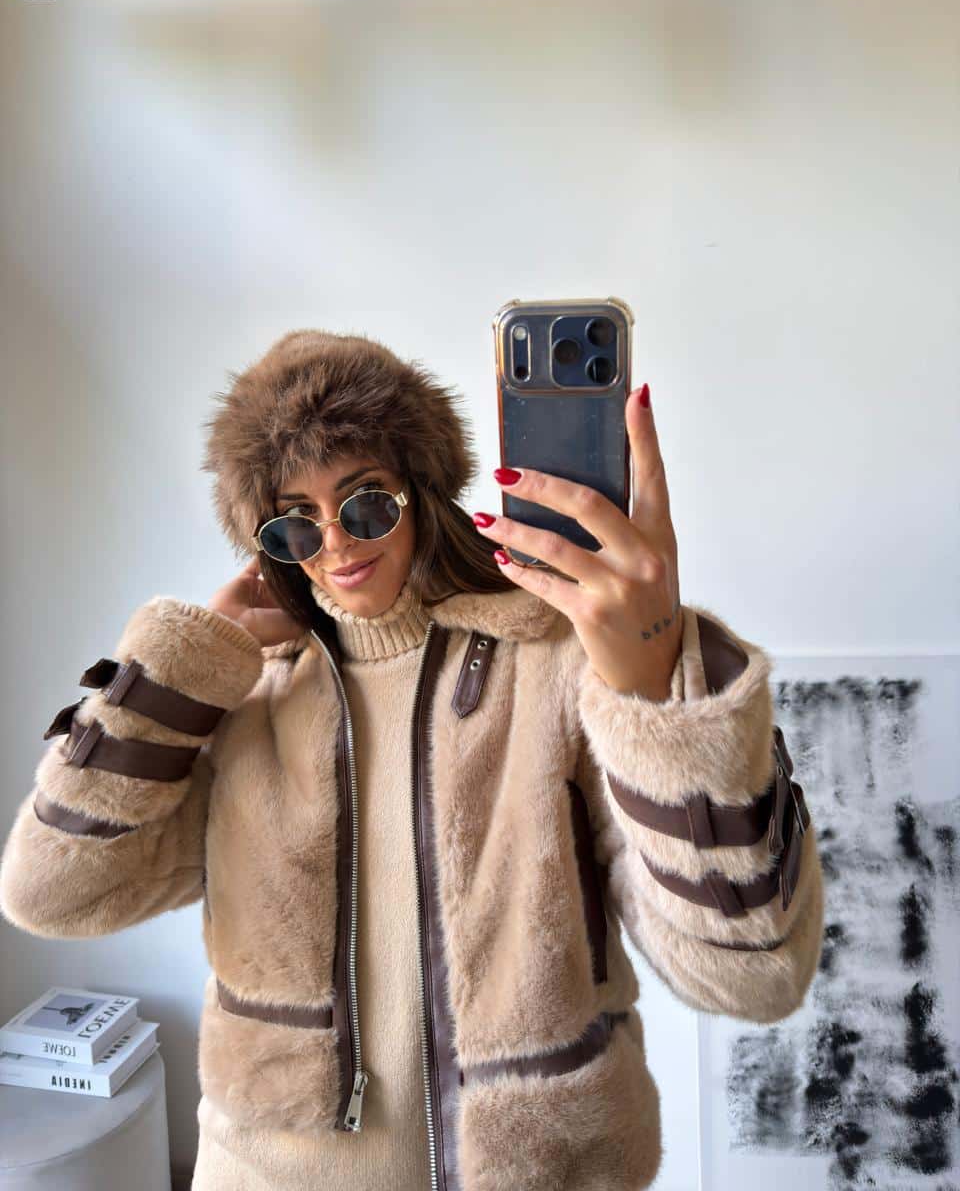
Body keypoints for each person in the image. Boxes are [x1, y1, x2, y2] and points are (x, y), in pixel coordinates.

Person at [0, 329, 824, 1191]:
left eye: (365, 504)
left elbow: (754, 978)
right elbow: (50, 892)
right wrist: (178, 670)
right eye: (295, 523)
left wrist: (659, 690)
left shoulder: (553, 665)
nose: (336, 544)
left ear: (420, 490)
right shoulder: (245, 698)